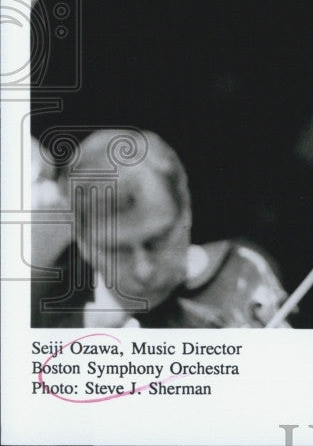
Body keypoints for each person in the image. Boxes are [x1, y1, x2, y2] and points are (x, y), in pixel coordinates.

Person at [31, 129, 290, 327]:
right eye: (117, 250)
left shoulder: (243, 276)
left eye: (158, 240)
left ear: (185, 212)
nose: (144, 271)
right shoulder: (39, 316)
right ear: (83, 243)